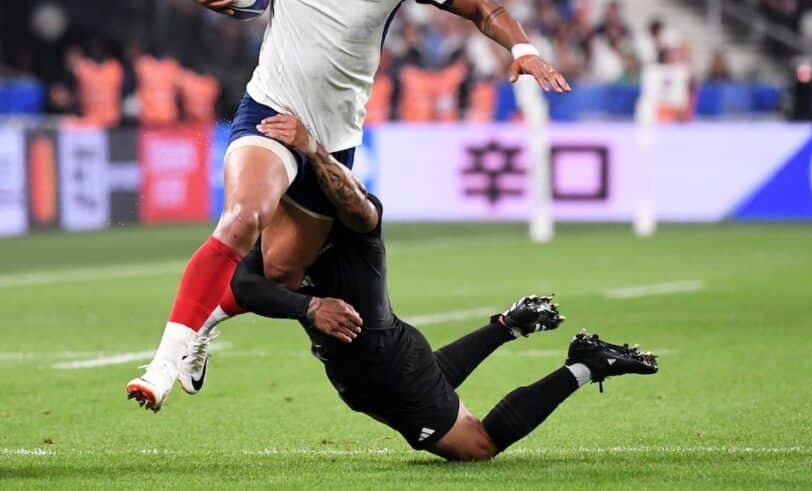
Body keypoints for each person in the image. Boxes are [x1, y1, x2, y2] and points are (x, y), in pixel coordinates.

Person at [127, 0, 571, 412]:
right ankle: (165, 362)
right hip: (271, 110)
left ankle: (205, 324)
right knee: (242, 218)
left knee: (280, 275)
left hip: (331, 143)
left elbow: (483, 7)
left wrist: (523, 49)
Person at [227, 113, 659, 460]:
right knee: (429, 380)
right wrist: (309, 308)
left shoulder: (357, 220)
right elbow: (244, 285)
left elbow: (355, 203)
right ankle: (508, 326)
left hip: (385, 367)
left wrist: (314, 149)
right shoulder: (280, 227)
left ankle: (586, 365)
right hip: (378, 364)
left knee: (479, 446)